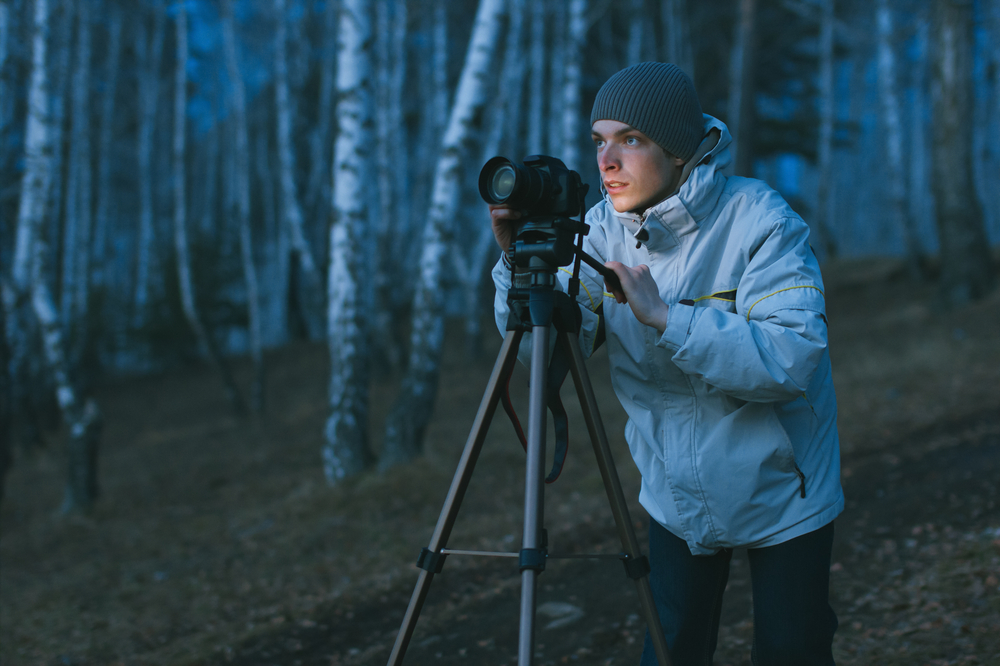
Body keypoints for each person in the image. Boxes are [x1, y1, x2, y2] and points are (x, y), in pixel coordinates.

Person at [489, 62, 843, 666]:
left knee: (791, 650)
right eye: (600, 141)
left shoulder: (760, 221)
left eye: (631, 139)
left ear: (679, 151)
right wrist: (520, 269)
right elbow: (543, 353)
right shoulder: (598, 231)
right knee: (672, 651)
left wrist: (667, 317)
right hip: (675, 495)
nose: (607, 161)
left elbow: (790, 362)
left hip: (785, 487)